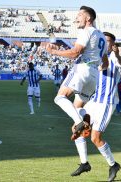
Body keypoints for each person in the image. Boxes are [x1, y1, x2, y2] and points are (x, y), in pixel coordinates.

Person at [45, 6, 109, 139]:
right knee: (77, 107)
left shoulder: (87, 31)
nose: (76, 18)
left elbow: (75, 53)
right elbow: (106, 63)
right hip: (94, 75)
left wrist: (54, 52)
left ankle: (81, 122)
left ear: (88, 18)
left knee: (60, 97)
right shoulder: (101, 36)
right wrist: (93, 68)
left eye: (80, 15)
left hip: (82, 69)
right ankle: (84, 119)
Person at [70, 32, 121, 182]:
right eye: (104, 41)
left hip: (106, 103)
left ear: (113, 44)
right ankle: (84, 163)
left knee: (95, 138)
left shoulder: (115, 57)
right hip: (94, 101)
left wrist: (117, 54)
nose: (105, 43)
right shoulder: (97, 57)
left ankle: (113, 165)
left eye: (108, 41)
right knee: (77, 127)